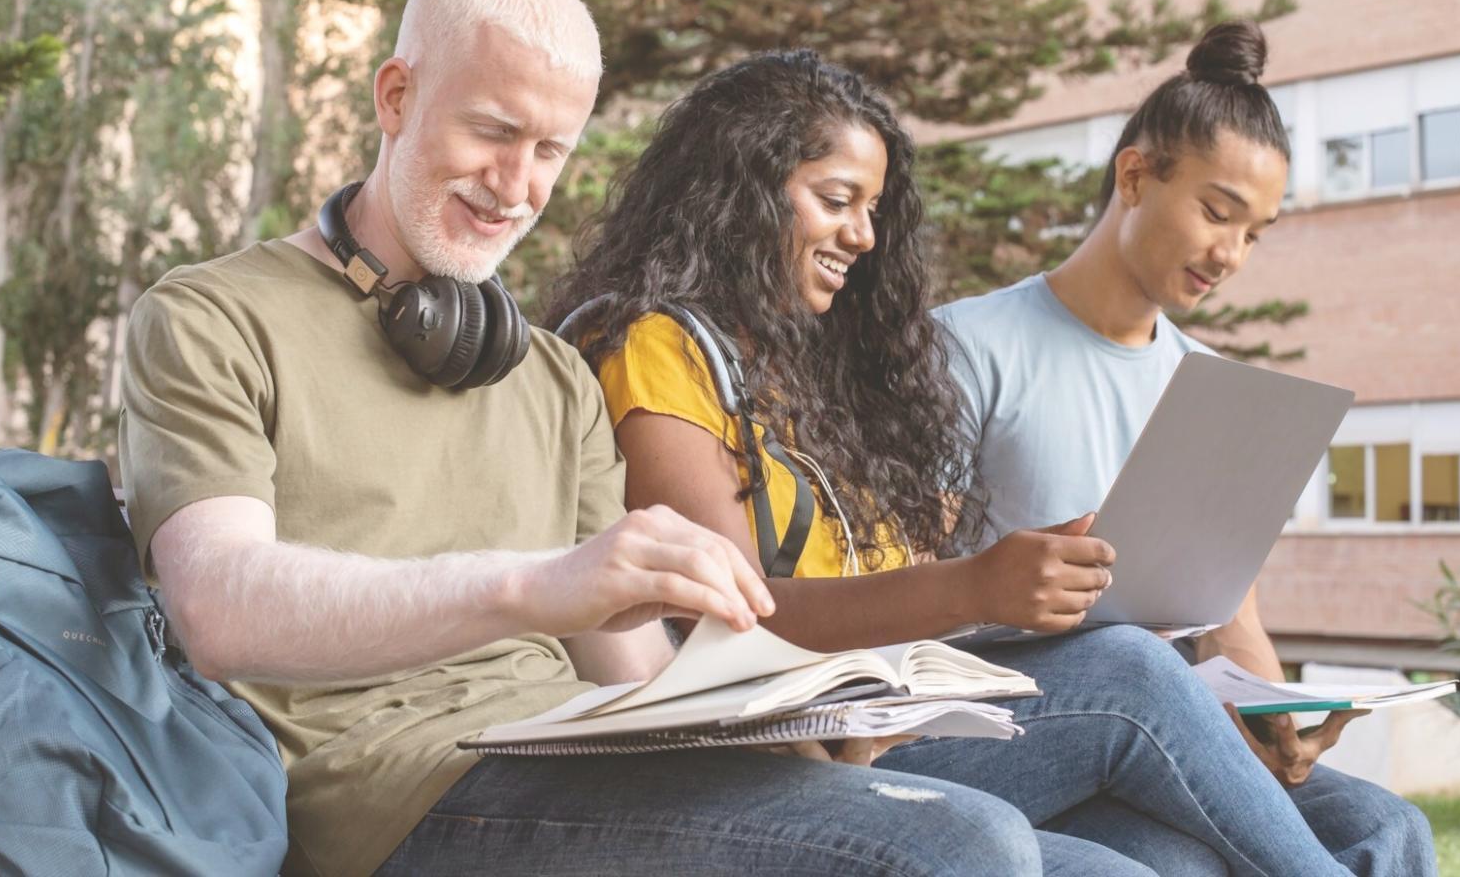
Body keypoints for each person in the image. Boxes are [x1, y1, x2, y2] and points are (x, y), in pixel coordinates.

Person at [118, 0, 1068, 877]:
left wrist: (802, 732)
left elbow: (632, 674)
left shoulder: (553, 377)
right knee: (965, 845)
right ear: (396, 97)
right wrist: (530, 584)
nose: (515, 184)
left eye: (549, 152)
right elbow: (219, 605)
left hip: (581, 753)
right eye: (493, 131)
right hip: (392, 789)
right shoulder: (212, 316)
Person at [546, 46, 1367, 876]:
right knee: (1129, 669)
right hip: (800, 757)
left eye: (872, 209)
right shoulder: (657, 349)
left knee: (1168, 863)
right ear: (740, 192)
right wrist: (978, 586)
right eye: (837, 200)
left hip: (901, 726)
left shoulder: (811, 376)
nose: (863, 235)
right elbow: (739, 611)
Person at [935, 19, 1436, 876]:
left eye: (1255, 233)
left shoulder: (1210, 387)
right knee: (1129, 663)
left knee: (1387, 829)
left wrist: (1275, 721)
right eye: (1217, 213)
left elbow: (1227, 620)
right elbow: (884, 579)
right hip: (996, 732)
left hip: (1153, 740)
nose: (1231, 254)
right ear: (1134, 175)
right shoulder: (965, 346)